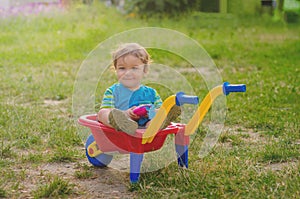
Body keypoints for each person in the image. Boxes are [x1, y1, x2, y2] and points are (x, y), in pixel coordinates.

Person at [97, 43, 180, 135]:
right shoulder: (113, 91)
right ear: (115, 69)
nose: (128, 73)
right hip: (121, 128)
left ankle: (162, 121)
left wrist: (149, 112)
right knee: (103, 112)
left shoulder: (151, 93)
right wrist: (126, 114)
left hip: (146, 129)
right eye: (122, 68)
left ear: (144, 70)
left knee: (158, 116)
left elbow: (158, 110)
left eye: (134, 68)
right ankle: (121, 123)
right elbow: (108, 110)